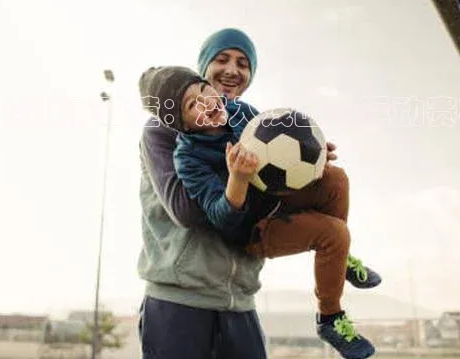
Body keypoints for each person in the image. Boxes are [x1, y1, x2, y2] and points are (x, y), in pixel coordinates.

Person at [138, 64, 379, 359]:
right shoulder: (186, 156)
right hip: (247, 229)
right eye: (192, 104)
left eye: (204, 90)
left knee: (335, 179)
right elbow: (218, 216)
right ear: (182, 125)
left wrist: (308, 152)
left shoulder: (239, 111)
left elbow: (277, 136)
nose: (206, 101)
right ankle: (330, 318)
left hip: (270, 209)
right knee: (334, 234)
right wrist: (237, 179)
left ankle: (340, 263)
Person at [135, 28, 270, 358]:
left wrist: (308, 160)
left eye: (243, 63)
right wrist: (240, 181)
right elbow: (188, 212)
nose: (232, 70)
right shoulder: (162, 130)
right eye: (222, 59)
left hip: (240, 303)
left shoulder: (251, 129)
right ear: (203, 70)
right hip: (179, 303)